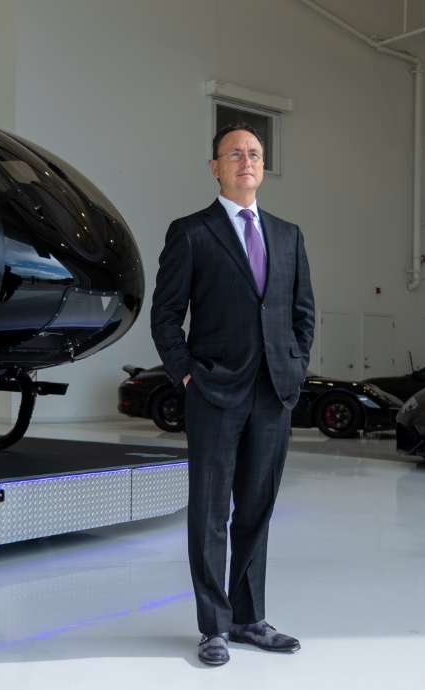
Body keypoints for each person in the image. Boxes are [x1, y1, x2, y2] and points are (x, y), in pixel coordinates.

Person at [150, 123, 315, 666]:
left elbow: (302, 314)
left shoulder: (289, 235)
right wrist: (187, 375)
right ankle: (213, 627)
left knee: (257, 510)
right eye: (235, 154)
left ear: (263, 167)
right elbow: (166, 315)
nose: (247, 161)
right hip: (215, 392)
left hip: (274, 393)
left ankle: (249, 619)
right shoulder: (192, 232)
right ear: (215, 167)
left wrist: (294, 365)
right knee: (211, 512)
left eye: (255, 154)